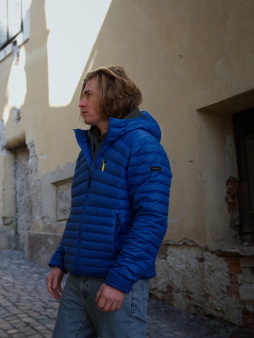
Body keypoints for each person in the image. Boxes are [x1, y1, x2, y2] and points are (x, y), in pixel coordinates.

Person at [46, 66, 172, 338]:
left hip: (118, 284)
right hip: (78, 283)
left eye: (89, 95)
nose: (81, 103)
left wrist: (120, 279)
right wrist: (60, 261)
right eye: (82, 95)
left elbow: (151, 219)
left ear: (112, 98)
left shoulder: (143, 145)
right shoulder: (87, 151)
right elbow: (79, 214)